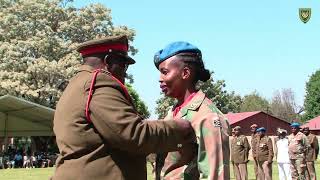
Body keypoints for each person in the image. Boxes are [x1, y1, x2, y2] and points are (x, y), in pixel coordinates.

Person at [52, 35, 196, 180]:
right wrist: (179, 129)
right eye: (123, 64)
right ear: (108, 61)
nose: (125, 71)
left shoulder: (78, 83)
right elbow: (133, 134)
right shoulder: (98, 83)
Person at [153, 41, 230, 179]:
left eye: (165, 72)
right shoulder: (173, 112)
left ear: (185, 73)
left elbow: (215, 175)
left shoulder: (207, 116)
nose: (160, 79)